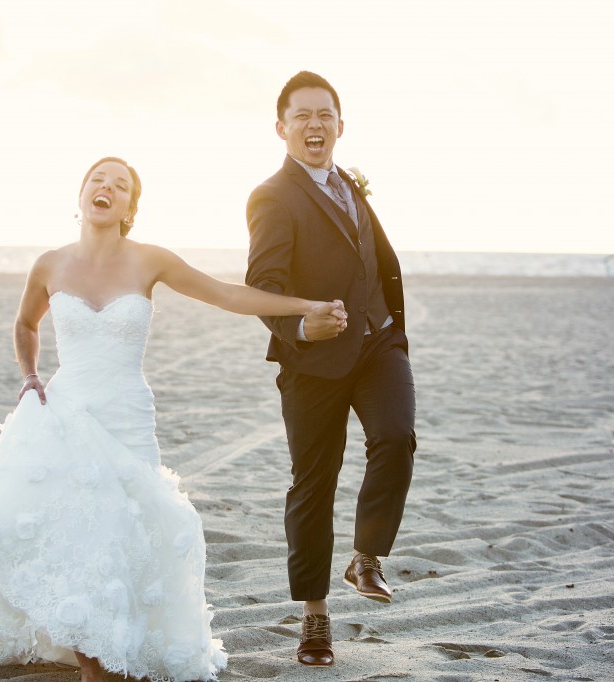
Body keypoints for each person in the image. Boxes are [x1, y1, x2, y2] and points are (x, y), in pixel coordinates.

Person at [0, 156, 347, 681]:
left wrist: (305, 304)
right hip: (66, 410)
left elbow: (227, 294)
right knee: (77, 530)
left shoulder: (150, 260)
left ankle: (108, 644)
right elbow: (24, 323)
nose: (106, 188)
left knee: (124, 531)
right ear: (81, 195)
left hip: (126, 415)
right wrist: (30, 374)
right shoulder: (49, 264)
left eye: (120, 185)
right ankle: (94, 656)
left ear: (130, 208)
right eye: (97, 180)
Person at [245, 71, 417, 667]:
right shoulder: (271, 195)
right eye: (302, 116)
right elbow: (261, 287)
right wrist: (298, 326)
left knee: (395, 437)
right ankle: (315, 621)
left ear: (340, 126)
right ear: (282, 128)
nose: (315, 125)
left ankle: (367, 556)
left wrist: (391, 323)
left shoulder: (352, 183)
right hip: (312, 362)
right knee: (313, 488)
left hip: (379, 343)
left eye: (325, 115)